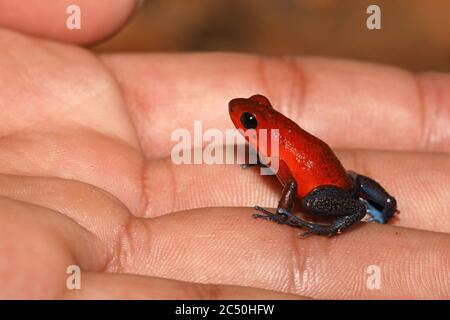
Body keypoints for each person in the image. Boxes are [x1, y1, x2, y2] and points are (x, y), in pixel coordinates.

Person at [0, 0, 448, 299]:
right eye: (253, 115)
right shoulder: (275, 141)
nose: (243, 119)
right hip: (342, 175)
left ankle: (358, 215)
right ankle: (380, 202)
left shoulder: (276, 150)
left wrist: (284, 216)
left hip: (325, 189)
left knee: (319, 198)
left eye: (251, 120)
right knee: (349, 183)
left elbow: (292, 186)